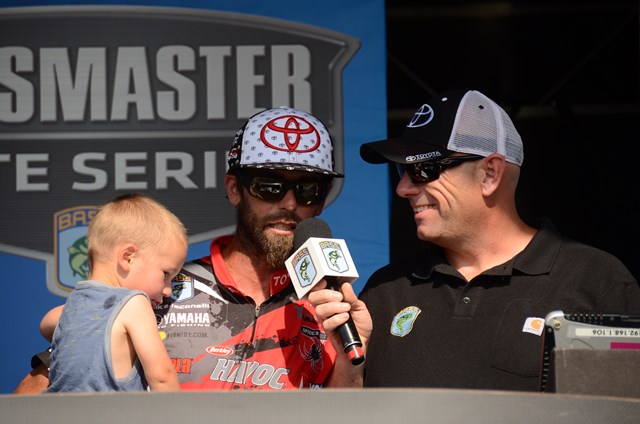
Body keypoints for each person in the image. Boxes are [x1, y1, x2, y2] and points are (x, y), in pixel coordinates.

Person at [308, 89, 640, 391]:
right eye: (401, 171)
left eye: (424, 169)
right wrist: (352, 366)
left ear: (490, 173)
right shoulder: (385, 292)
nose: (403, 188)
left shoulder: (596, 281)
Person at [15, 107, 360, 393]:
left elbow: (346, 413)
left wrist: (350, 362)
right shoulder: (160, 290)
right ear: (234, 189)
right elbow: (39, 391)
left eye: (308, 190)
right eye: (269, 186)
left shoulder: (333, 306)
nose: (289, 203)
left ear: (323, 200)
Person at [43, 193, 187, 392]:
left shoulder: (69, 309)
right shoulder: (134, 304)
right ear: (128, 257)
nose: (168, 290)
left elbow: (46, 324)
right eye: (166, 274)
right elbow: (162, 378)